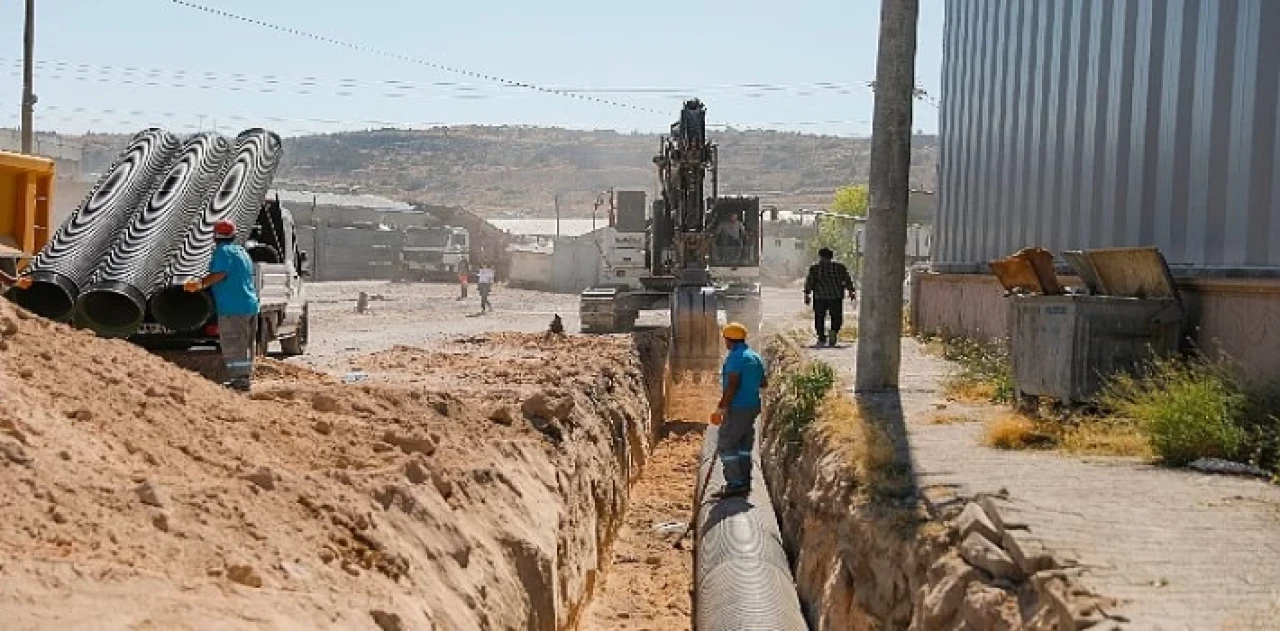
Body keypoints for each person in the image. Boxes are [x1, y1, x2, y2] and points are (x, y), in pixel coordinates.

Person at [184, 220, 259, 392]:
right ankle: (243, 377)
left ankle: (240, 381)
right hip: (249, 305)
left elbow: (220, 273)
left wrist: (199, 285)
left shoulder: (222, 252)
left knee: (233, 344)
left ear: (214, 236)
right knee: (244, 344)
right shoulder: (241, 251)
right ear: (233, 235)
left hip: (233, 308)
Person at [709, 322, 767, 499]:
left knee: (727, 444)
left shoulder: (735, 357)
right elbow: (764, 383)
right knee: (744, 446)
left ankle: (734, 484)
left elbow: (733, 384)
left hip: (738, 408)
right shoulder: (754, 356)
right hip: (752, 407)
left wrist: (721, 408)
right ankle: (745, 482)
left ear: (728, 340)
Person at [803, 247, 856, 348]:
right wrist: (851, 291)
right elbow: (847, 280)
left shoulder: (815, 268)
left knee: (819, 317)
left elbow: (810, 282)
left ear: (820, 256)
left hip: (820, 297)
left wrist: (807, 294)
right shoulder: (840, 267)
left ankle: (821, 337)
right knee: (836, 317)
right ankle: (834, 331)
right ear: (831, 256)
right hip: (836, 297)